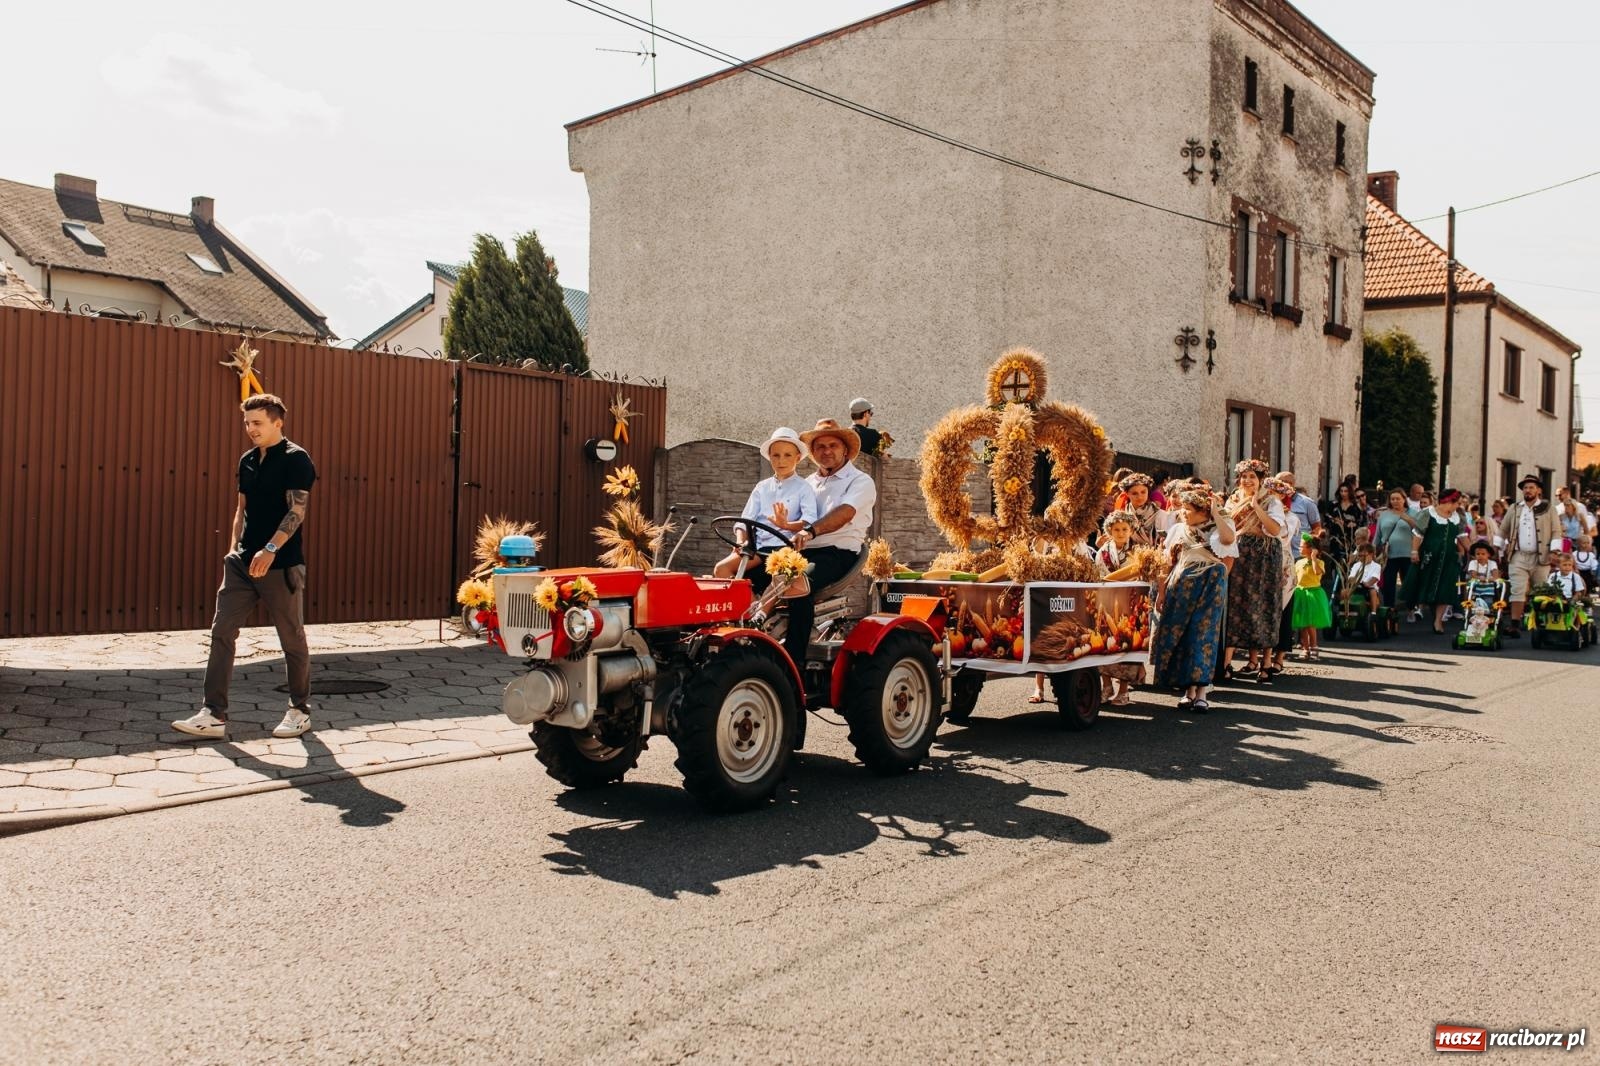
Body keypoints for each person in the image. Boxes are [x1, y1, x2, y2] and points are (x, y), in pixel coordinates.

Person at [174, 394, 317, 740]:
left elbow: (296, 512)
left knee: (291, 637)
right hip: (240, 565)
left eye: (257, 423)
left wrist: (270, 548)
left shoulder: (296, 459)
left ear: (277, 422)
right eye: (247, 423)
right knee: (222, 632)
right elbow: (242, 508)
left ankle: (299, 710)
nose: (250, 429)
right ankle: (213, 713)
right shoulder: (248, 460)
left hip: (280, 564)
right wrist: (232, 551)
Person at [788, 419, 877, 680]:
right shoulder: (806, 483)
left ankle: (793, 664)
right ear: (813, 453)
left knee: (799, 584)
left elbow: (845, 513)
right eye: (820, 446)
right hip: (801, 551)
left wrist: (811, 531)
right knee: (747, 576)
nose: (826, 451)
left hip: (836, 552)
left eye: (832, 445)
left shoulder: (860, 481)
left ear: (845, 450)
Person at [1150, 486, 1237, 714]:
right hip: (1181, 583)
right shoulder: (1178, 529)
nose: (1183, 512)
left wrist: (1216, 513)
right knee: (1181, 633)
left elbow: (1228, 545)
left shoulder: (1218, 528)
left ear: (1202, 511)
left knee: (1204, 634)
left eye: (1188, 509)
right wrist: (1161, 591)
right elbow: (1166, 562)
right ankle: (1187, 691)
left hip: (1209, 584)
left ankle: (1201, 693)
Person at [714, 427, 818, 579]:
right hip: (759, 549)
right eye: (776, 455)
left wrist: (786, 525)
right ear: (769, 457)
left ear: (797, 457)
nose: (781, 460)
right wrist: (741, 542)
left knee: (779, 582)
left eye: (787, 455)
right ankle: (749, 601)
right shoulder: (762, 487)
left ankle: (757, 602)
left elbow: (810, 521)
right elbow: (744, 521)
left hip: (786, 549)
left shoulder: (804, 487)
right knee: (721, 569)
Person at [1220, 459, 1285, 684]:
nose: (1247, 481)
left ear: (1260, 479)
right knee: (1236, 605)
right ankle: (1226, 663)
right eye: (1244, 477)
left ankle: (1266, 664)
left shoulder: (1271, 500)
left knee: (1265, 604)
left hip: (1265, 557)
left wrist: (1256, 506)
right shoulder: (1232, 499)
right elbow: (1227, 525)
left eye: (1252, 477)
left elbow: (1275, 530)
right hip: (1239, 554)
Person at [1498, 474, 1562, 637]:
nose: (1528, 490)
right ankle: (1514, 624)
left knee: (1540, 591)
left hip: (1541, 556)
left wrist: (1555, 552)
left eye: (1531, 487)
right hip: (1518, 555)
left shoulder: (1549, 508)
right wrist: (1496, 547)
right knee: (1517, 589)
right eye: (1525, 487)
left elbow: (1556, 531)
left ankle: (1540, 623)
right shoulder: (1515, 508)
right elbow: (1503, 529)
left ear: (1538, 490)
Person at [1092, 510, 1145, 706]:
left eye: (1125, 529)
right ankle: (1106, 686)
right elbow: (1098, 576)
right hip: (1106, 601)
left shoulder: (1138, 551)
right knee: (1105, 644)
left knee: (1127, 645)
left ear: (1131, 530)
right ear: (1109, 531)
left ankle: (1123, 690)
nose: (1121, 533)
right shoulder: (1102, 552)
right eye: (1116, 529)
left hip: (1131, 602)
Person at [1405, 488, 1470, 634]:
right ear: (1448, 502)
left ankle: (1438, 620)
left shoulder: (1458, 516)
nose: (1457, 506)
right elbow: (1418, 533)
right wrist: (1414, 551)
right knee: (1423, 584)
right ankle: (1416, 610)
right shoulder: (1428, 513)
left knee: (1445, 588)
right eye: (1456, 503)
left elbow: (1462, 535)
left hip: (1448, 558)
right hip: (1428, 556)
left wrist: (1474, 550)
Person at [1375, 489, 1418, 609]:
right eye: (1392, 499)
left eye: (1398, 499)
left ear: (1404, 499)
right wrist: (1373, 550)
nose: (1395, 501)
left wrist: (1408, 519)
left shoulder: (1413, 513)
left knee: (1408, 583)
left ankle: (1411, 608)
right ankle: (1389, 608)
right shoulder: (1384, 515)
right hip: (1389, 554)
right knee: (1388, 583)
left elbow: (1420, 531)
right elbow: (1378, 534)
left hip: (1407, 553)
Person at [1291, 536, 1332, 660]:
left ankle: (1314, 646)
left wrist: (1314, 558)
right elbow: (1295, 578)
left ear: (1311, 549)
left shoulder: (1319, 562)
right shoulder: (1298, 562)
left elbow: (1317, 572)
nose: (1299, 548)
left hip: (1313, 594)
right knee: (1303, 624)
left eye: (1302, 546)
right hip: (1300, 593)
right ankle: (1305, 647)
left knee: (1310, 624)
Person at [1113, 472, 1169, 547]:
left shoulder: (1160, 515)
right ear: (1127, 494)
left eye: (1143, 492)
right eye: (1134, 493)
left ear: (1148, 492)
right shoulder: (1121, 516)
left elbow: (1166, 542)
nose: (1140, 497)